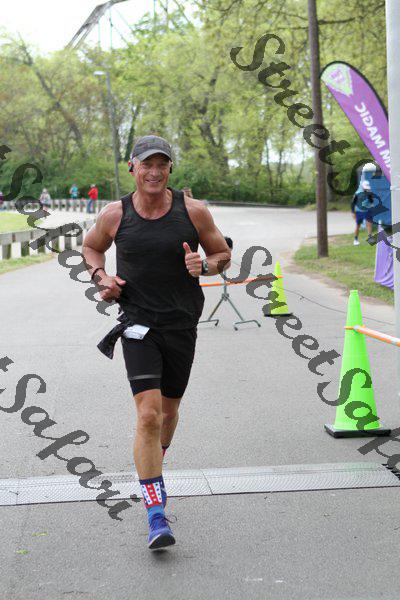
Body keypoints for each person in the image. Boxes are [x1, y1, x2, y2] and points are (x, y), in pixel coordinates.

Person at [82, 135, 231, 550]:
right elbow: (91, 247)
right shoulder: (115, 214)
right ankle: (155, 512)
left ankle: (153, 464)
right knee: (148, 416)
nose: (154, 172)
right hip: (137, 324)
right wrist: (102, 279)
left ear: (170, 169)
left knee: (168, 413)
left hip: (182, 323)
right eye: (146, 164)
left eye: (161, 165)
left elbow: (222, 255)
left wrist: (205, 265)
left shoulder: (193, 211)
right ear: (132, 167)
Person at [351, 180, 374, 246]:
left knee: (369, 224)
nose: (366, 189)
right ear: (362, 187)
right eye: (365, 188)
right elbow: (352, 203)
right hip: (359, 211)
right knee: (358, 225)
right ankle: (355, 239)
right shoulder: (357, 193)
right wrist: (353, 212)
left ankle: (370, 238)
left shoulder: (370, 192)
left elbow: (371, 201)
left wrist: (370, 196)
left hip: (368, 211)